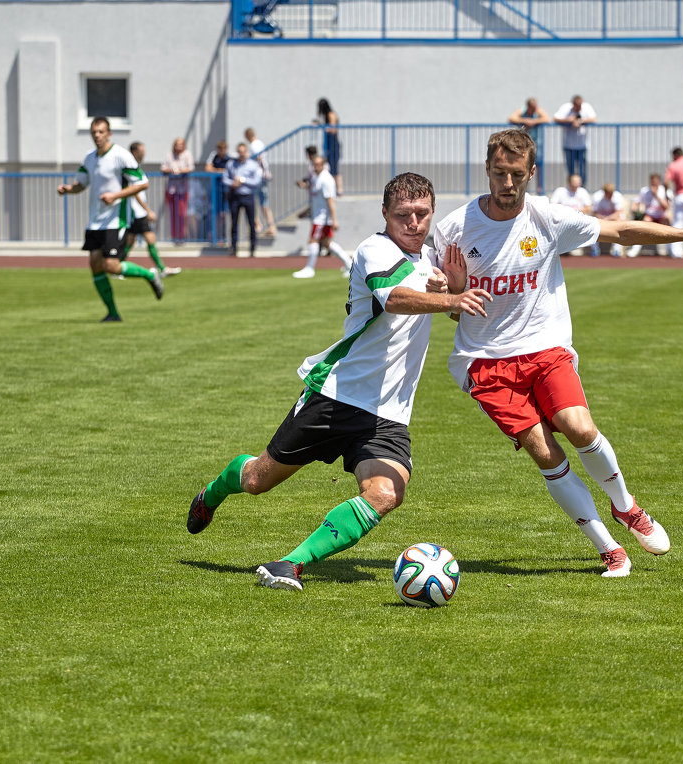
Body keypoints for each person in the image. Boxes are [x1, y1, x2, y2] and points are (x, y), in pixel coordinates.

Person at [432, 129, 683, 577]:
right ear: (487, 171)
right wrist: (452, 291)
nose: (508, 184)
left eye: (517, 174)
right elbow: (455, 313)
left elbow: (619, 230)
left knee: (578, 426)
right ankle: (608, 547)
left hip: (545, 347)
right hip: (484, 361)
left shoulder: (548, 218)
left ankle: (626, 506)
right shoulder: (453, 230)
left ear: (531, 173)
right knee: (545, 452)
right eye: (499, 173)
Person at [187, 173, 493, 593]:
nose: (414, 223)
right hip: (336, 396)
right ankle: (214, 491)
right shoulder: (374, 250)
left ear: (432, 212)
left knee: (385, 494)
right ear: (385, 214)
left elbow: (451, 310)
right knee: (258, 480)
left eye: (422, 214)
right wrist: (451, 298)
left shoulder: (429, 261)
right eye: (403, 214)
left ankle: (289, 564)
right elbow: (394, 299)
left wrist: (454, 288)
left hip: (387, 414)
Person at [56, 117, 164, 322]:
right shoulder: (89, 158)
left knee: (111, 265)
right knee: (95, 265)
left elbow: (143, 183)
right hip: (95, 221)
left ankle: (150, 275)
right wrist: (69, 190)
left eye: (101, 131)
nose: (97, 135)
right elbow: (82, 184)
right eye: (94, 132)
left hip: (116, 220)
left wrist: (115, 196)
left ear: (109, 133)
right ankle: (113, 313)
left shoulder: (121, 156)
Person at [124, 141, 180, 277]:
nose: (144, 153)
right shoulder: (130, 167)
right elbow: (134, 191)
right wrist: (147, 210)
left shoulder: (135, 167)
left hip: (137, 212)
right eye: (142, 151)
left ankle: (117, 266)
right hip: (137, 212)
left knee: (130, 241)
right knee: (150, 238)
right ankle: (162, 268)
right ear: (135, 152)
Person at [293, 155, 354, 279]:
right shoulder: (316, 178)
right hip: (318, 216)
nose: (315, 167)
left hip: (322, 218)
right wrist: (306, 212)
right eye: (313, 164)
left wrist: (334, 219)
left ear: (323, 165)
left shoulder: (326, 179)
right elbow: (316, 200)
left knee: (312, 240)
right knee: (327, 243)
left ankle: (310, 269)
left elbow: (330, 201)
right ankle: (350, 264)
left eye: (318, 164)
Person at [223, 142, 262, 257]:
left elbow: (256, 182)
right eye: (239, 152)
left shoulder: (253, 165)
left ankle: (252, 248)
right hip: (235, 196)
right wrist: (233, 184)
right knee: (234, 223)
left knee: (251, 223)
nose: (241, 154)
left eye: (243, 151)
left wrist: (243, 180)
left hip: (248, 196)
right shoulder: (231, 164)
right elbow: (225, 179)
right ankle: (234, 247)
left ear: (247, 152)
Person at [509, 97, 550, 193]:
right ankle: (524, 187)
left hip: (536, 144)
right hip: (523, 144)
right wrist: (525, 120)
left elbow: (546, 118)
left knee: (538, 165)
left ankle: (539, 188)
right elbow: (512, 118)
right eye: (532, 108)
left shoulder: (537, 112)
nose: (534, 110)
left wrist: (533, 122)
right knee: (523, 165)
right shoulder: (521, 111)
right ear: (528, 107)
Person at [553, 95, 597, 186]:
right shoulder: (566, 108)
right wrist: (569, 120)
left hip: (582, 145)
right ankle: (571, 187)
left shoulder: (586, 107)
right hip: (569, 146)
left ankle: (582, 187)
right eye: (577, 105)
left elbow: (593, 119)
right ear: (573, 104)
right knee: (570, 170)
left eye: (580, 105)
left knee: (582, 170)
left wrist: (581, 121)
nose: (579, 108)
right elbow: (556, 118)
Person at [626, 173, 672, 257]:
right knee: (642, 226)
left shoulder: (665, 191)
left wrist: (656, 195)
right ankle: (635, 250)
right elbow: (636, 202)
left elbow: (666, 207)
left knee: (668, 225)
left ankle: (670, 250)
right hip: (649, 215)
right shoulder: (645, 190)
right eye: (652, 182)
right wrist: (634, 208)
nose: (653, 184)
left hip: (661, 216)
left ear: (659, 182)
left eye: (655, 182)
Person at [160, 137, 193, 244]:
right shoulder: (170, 155)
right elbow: (163, 168)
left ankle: (181, 236)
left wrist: (180, 171)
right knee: (173, 214)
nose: (179, 147)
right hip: (171, 189)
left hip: (183, 189)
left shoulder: (187, 154)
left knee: (181, 214)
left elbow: (190, 168)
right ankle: (174, 237)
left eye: (181, 144)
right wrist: (172, 170)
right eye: (177, 144)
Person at [549, 174, 591, 255]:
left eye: (578, 181)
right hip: (562, 218)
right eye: (574, 181)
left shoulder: (582, 192)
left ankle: (592, 248)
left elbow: (588, 207)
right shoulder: (560, 191)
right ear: (569, 182)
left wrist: (575, 212)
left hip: (579, 218)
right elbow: (552, 205)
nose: (577, 183)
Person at [244, 127, 275, 236]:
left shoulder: (254, 145)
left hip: (258, 177)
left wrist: (265, 172)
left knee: (254, 202)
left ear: (248, 136)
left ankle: (258, 225)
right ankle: (270, 226)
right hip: (262, 176)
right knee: (263, 203)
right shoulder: (260, 143)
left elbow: (260, 158)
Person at [204, 140, 232, 243]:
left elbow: (230, 172)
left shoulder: (229, 159)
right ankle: (214, 235)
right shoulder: (214, 156)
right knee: (214, 214)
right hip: (215, 190)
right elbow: (208, 168)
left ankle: (222, 236)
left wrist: (220, 171)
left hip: (225, 190)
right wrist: (219, 171)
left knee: (223, 214)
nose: (221, 151)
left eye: (223, 149)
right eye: (220, 149)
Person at [588, 182, 626, 257]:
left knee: (620, 221)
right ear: (604, 192)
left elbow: (618, 213)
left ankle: (617, 249)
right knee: (592, 222)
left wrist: (607, 218)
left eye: (611, 193)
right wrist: (602, 218)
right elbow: (594, 213)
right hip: (600, 217)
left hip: (612, 218)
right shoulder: (597, 197)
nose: (610, 195)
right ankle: (595, 248)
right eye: (609, 193)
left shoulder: (617, 196)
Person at [315, 98, 344, 195]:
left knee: (334, 168)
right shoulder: (327, 115)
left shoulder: (331, 114)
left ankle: (339, 189)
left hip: (334, 144)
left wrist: (324, 128)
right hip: (329, 144)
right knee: (331, 168)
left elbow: (333, 129)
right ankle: (335, 189)